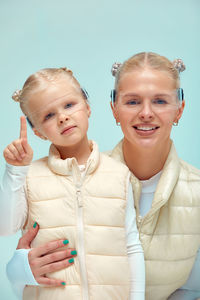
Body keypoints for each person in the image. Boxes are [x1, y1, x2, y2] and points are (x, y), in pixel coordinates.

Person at [2, 51, 200, 300]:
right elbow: (9, 231)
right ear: (113, 109)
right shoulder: (44, 177)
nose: (146, 113)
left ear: (180, 109)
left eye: (160, 100)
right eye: (132, 101)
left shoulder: (120, 177)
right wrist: (19, 269)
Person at [0, 67, 145, 299]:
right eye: (48, 115)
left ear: (87, 106)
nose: (62, 117)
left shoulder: (118, 174)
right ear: (37, 132)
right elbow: (5, 227)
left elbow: (131, 245)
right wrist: (15, 171)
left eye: (69, 105)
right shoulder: (29, 177)